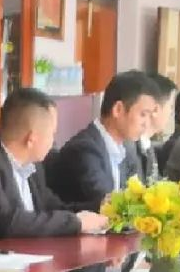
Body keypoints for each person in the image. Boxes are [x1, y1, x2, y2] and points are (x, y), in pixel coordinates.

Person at [0, 87, 108, 244]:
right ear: (31, 139)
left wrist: (100, 208)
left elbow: (53, 207)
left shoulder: (32, 166)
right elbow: (5, 223)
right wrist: (76, 223)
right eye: (52, 134)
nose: (53, 142)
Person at [49, 70, 157, 210]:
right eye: (143, 115)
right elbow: (108, 204)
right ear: (118, 109)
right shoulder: (84, 149)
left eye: (150, 116)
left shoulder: (127, 148)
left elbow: (137, 196)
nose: (147, 124)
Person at [130, 72, 177, 183]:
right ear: (155, 109)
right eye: (170, 106)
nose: (172, 113)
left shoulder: (147, 146)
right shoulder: (129, 149)